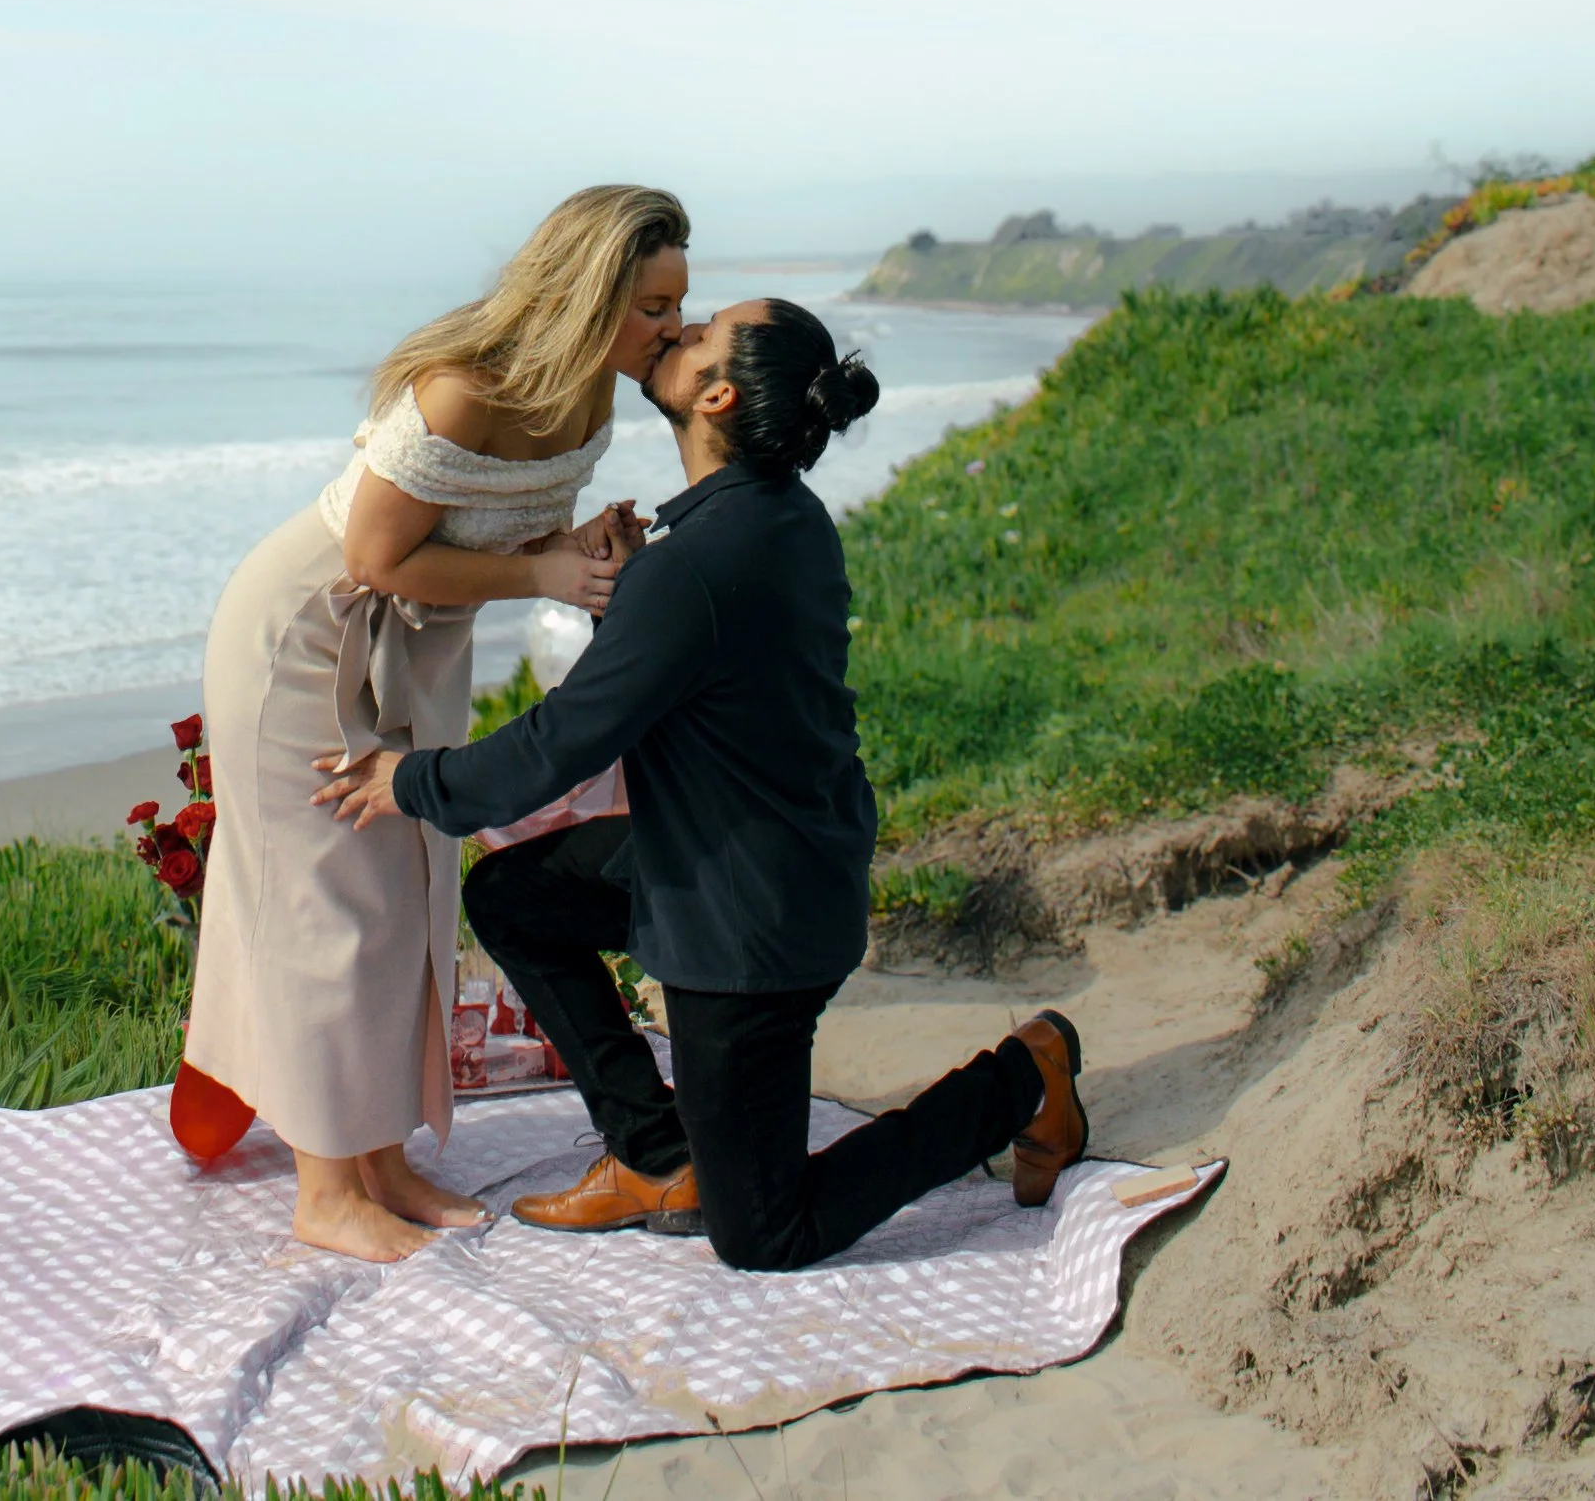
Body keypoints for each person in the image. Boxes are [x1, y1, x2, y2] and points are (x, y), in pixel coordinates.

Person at [314, 297, 1089, 1270]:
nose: (673, 329)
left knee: (765, 1231)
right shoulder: (777, 521)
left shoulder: (703, 565)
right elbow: (679, 682)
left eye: (697, 330)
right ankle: (654, 1149)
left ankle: (1024, 1076)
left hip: (752, 922)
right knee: (515, 895)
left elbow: (560, 743)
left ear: (716, 393)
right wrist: (632, 593)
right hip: (742, 850)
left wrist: (409, 779)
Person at [181, 183, 690, 1264]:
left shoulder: (589, 398)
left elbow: (512, 523)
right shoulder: (459, 390)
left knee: (406, 898)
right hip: (311, 638)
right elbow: (372, 554)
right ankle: (326, 1188)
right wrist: (544, 569)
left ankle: (380, 1159)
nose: (674, 330)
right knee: (323, 904)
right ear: (593, 294)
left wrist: (579, 544)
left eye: (678, 306)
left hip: (420, 647)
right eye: (653, 305)